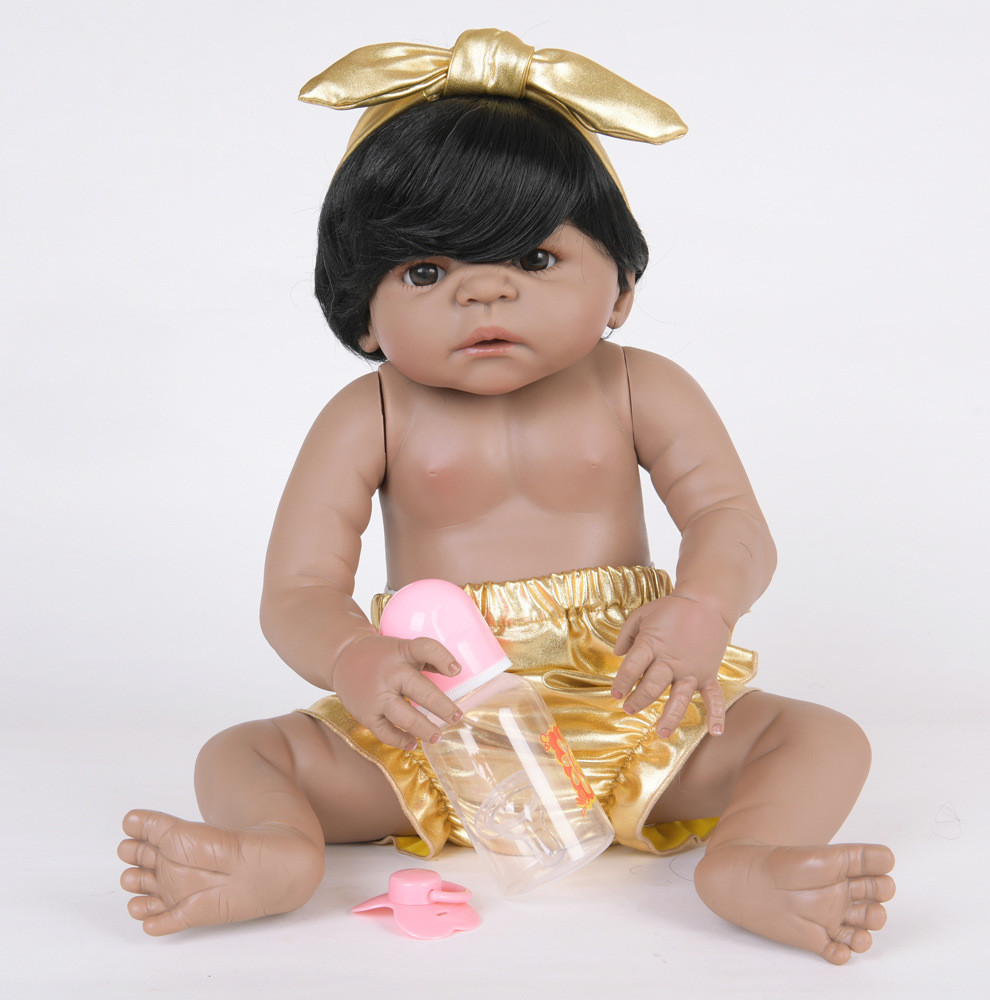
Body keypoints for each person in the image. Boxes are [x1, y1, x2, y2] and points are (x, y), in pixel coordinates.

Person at [118, 30, 894, 963]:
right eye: (426, 272)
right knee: (244, 754)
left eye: (532, 259)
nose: (484, 294)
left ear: (621, 289)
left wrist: (704, 606)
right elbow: (296, 591)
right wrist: (355, 658)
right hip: (435, 718)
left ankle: (750, 861)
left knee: (820, 738)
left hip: (635, 695)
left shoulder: (643, 386)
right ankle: (278, 854)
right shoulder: (369, 414)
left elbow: (731, 522)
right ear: (363, 316)